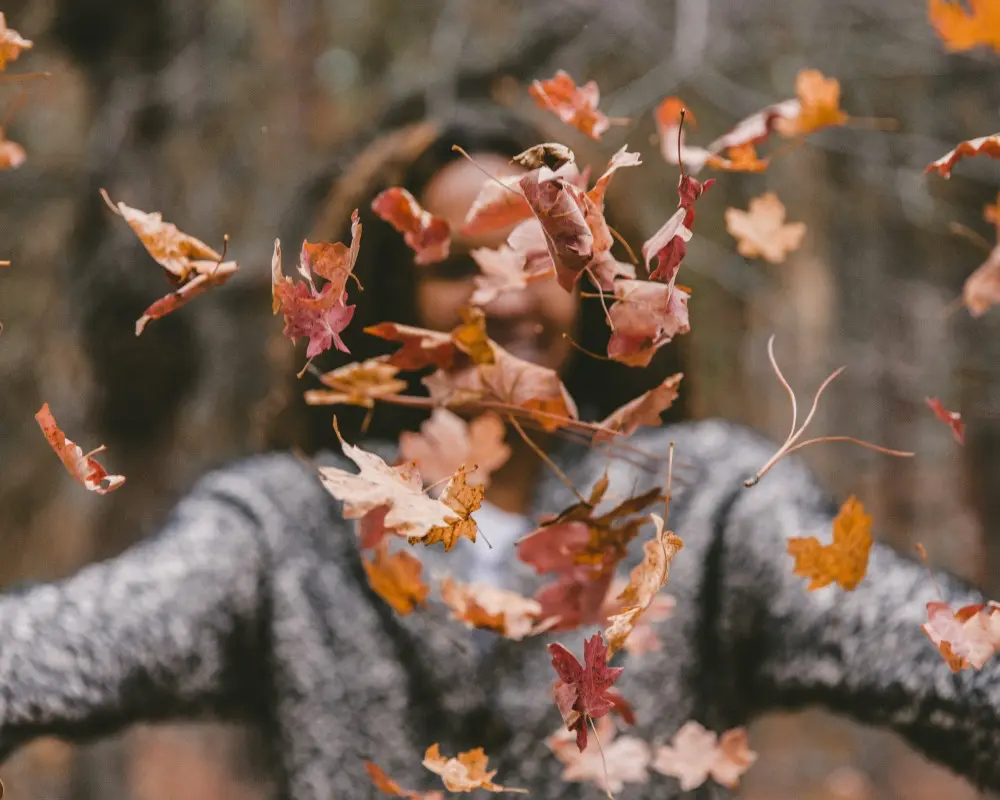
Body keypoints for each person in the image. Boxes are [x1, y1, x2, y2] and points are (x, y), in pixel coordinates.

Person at [1, 96, 998, 800]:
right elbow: (72, 641)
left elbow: (927, 653)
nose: (503, 291)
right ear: (392, 301)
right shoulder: (287, 526)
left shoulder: (701, 508)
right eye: (454, 263)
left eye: (537, 252)